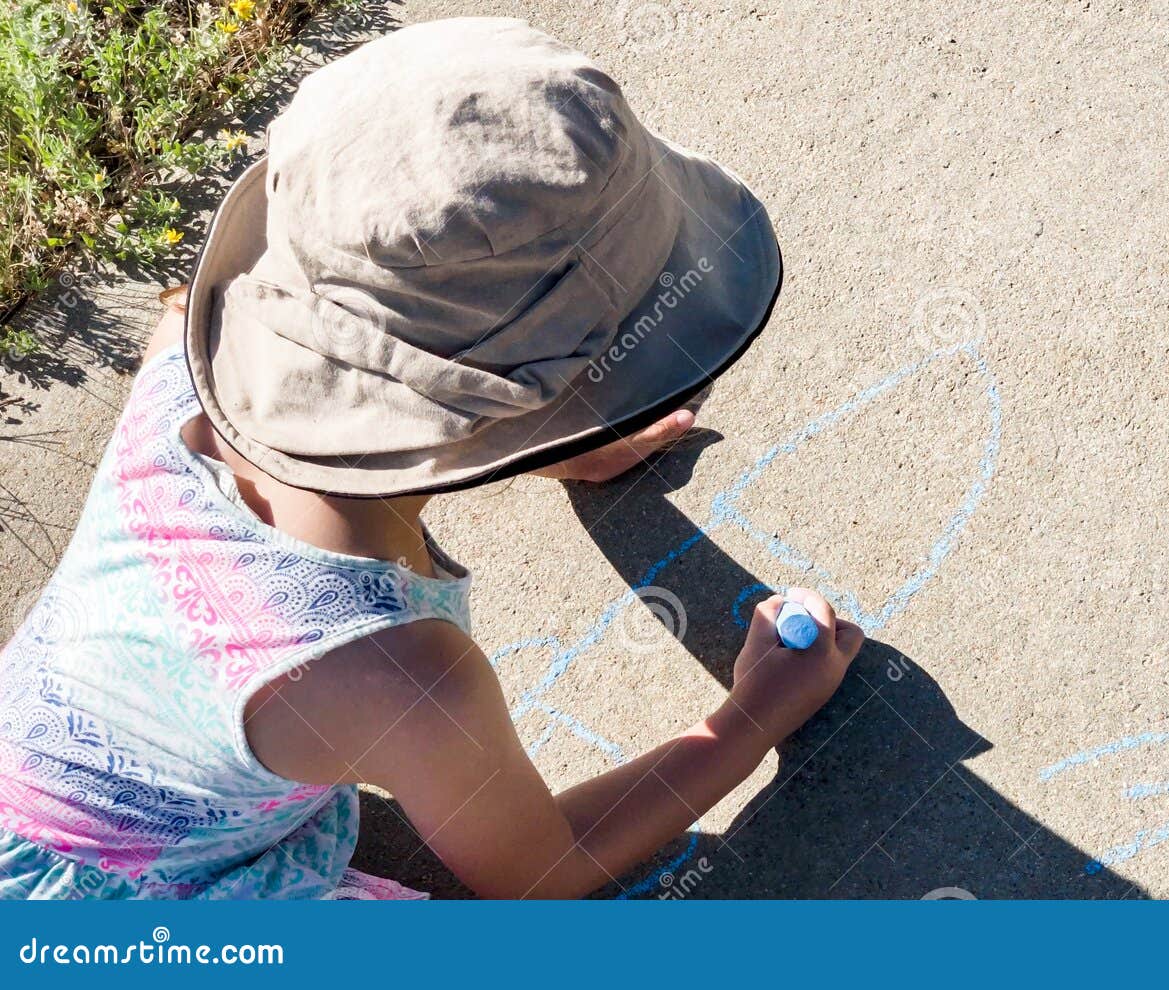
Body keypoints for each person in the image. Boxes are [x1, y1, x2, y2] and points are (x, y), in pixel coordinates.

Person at [0, 18, 862, 899]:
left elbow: (378, 393)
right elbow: (538, 870)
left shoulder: (188, 339)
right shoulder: (401, 676)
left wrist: (564, 445)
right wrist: (756, 715)